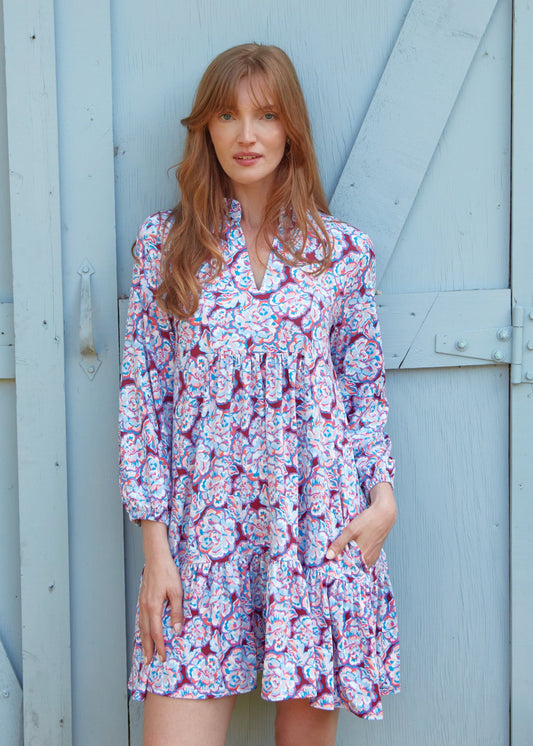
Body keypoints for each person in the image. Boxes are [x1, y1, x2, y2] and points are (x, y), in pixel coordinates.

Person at [119, 42, 399, 746]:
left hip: (318, 529)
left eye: (266, 116)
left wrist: (383, 503)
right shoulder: (166, 246)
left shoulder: (343, 255)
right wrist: (156, 554)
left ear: (290, 129)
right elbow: (142, 405)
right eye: (228, 116)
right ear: (205, 131)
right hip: (198, 542)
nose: (247, 136)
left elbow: (364, 391)